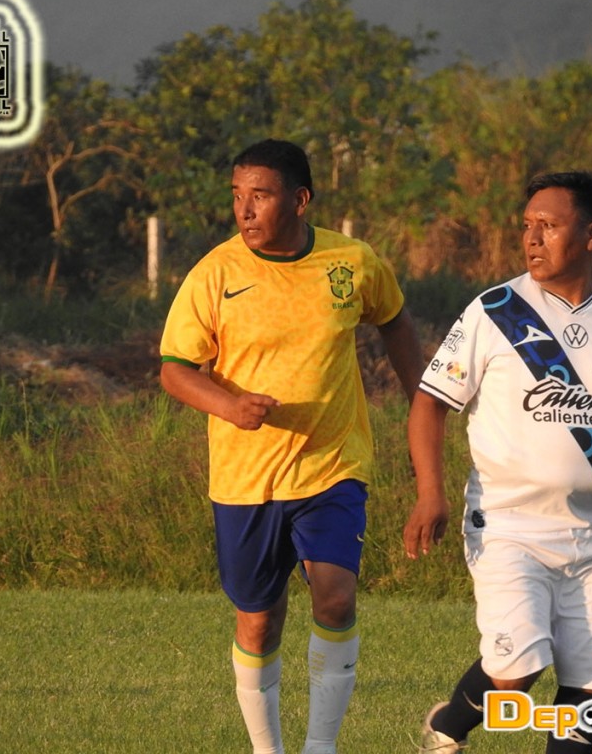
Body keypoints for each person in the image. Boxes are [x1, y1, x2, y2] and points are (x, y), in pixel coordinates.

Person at [403, 171, 592, 753]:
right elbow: (429, 403)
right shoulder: (497, 310)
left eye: (549, 225)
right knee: (516, 671)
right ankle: (448, 727)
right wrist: (429, 493)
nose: (532, 238)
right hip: (508, 523)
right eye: (527, 226)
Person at [159, 138, 423, 754]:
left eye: (260, 195)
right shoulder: (215, 273)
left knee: (335, 597)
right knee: (258, 619)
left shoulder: (351, 261)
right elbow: (175, 369)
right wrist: (230, 407)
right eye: (237, 196)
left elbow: (395, 321)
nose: (244, 209)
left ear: (300, 200)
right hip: (245, 478)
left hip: (333, 465)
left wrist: (422, 404)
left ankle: (320, 748)